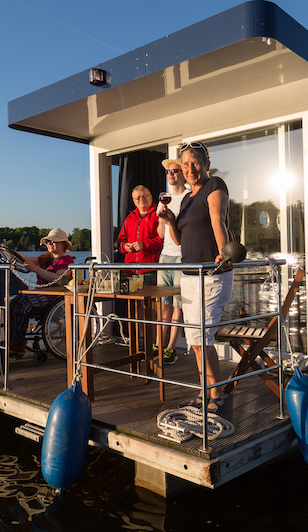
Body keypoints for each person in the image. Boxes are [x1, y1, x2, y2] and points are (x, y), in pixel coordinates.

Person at [157, 141, 232, 414]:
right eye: (185, 164)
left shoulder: (215, 186)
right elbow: (178, 240)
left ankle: (217, 395)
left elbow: (217, 221)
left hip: (211, 275)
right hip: (188, 275)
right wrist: (170, 221)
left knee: (203, 337)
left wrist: (224, 252)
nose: (190, 169)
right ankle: (204, 392)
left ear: (207, 164)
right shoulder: (187, 198)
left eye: (195, 163)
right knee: (194, 340)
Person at [0, 228, 75, 355]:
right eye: (48, 241)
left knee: (23, 305)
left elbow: (59, 280)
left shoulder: (66, 260)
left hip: (55, 297)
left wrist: (36, 269)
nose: (50, 243)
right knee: (13, 303)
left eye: (54, 241)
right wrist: (6, 250)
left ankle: (18, 344)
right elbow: (23, 259)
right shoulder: (45, 259)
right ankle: (13, 341)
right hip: (40, 294)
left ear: (63, 244)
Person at [155, 158, 190, 365]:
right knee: (164, 304)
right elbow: (161, 234)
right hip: (164, 256)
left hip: (181, 256)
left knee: (177, 304)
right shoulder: (164, 200)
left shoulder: (188, 197)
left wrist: (172, 222)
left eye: (175, 170)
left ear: (183, 174)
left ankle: (171, 348)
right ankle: (158, 344)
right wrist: (162, 221)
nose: (171, 174)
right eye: (169, 171)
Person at [117, 184, 163, 281]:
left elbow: (164, 241)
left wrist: (144, 245)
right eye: (138, 198)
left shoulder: (158, 215)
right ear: (134, 201)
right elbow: (120, 240)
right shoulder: (129, 218)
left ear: (151, 197)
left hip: (150, 270)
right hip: (129, 270)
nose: (141, 199)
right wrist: (125, 246)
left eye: (144, 196)